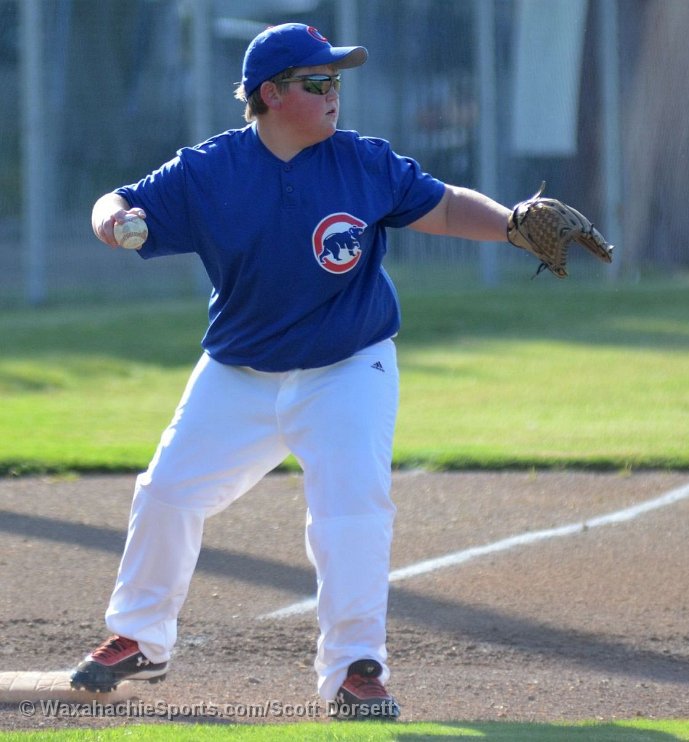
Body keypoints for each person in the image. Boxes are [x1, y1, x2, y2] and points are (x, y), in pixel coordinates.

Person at [70, 22, 512, 720]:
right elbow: (116, 200)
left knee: (351, 509)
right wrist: (112, 219)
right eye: (318, 80)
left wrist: (513, 222)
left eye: (336, 79)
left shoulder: (362, 162)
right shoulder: (210, 170)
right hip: (240, 370)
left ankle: (356, 671)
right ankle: (141, 640)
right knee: (167, 492)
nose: (335, 91)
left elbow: (448, 206)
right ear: (271, 94)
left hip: (348, 364)